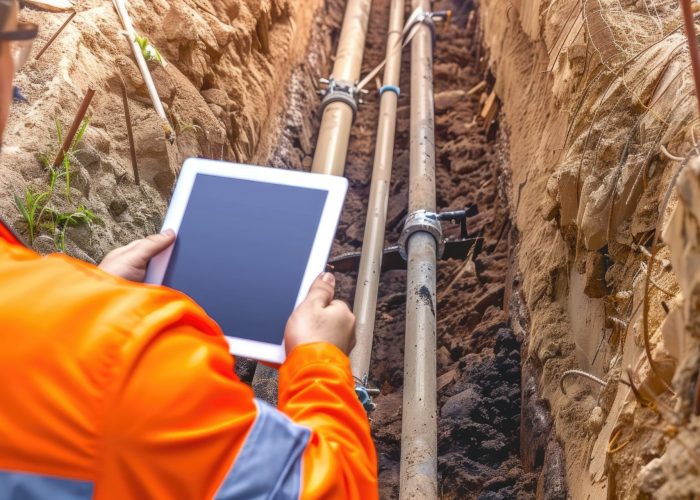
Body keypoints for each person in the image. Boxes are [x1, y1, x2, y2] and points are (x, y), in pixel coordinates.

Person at [0, 1, 378, 498]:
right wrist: (319, 360)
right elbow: (331, 488)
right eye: (14, 39)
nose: (20, 63)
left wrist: (90, 295)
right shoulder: (130, 364)